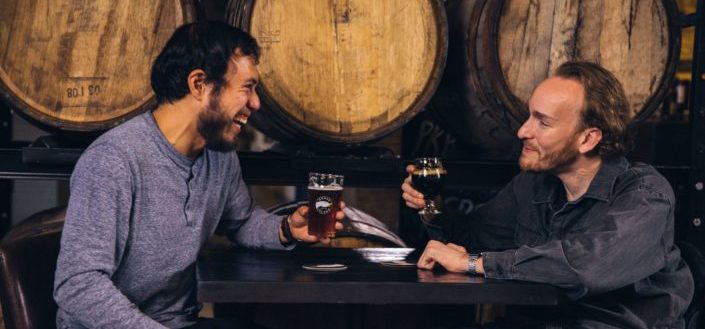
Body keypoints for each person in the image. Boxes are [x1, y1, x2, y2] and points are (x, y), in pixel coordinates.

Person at [53, 21, 344, 329]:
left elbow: (241, 221)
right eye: (247, 87)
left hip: (178, 322)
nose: (256, 103)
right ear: (199, 84)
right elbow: (78, 285)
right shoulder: (114, 159)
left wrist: (286, 230)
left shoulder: (218, 155)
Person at [401, 61, 693, 328]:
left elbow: (585, 266)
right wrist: (430, 207)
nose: (522, 131)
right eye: (529, 116)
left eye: (543, 122)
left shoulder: (645, 194)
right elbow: (470, 240)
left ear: (587, 138)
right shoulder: (533, 186)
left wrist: (474, 263)